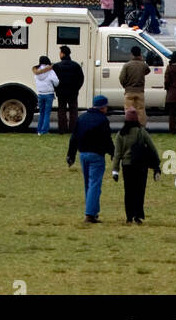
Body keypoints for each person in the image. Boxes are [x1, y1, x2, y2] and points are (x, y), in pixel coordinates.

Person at [66, 95, 115, 224]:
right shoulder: (102, 120)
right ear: (103, 107)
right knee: (95, 185)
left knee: (88, 184)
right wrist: (113, 153)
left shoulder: (82, 118)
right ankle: (90, 214)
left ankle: (93, 212)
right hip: (97, 156)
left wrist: (71, 155)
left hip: (83, 155)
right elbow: (107, 139)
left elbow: (73, 138)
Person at [111, 108, 161, 224]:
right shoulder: (141, 131)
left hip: (127, 166)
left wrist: (115, 170)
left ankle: (129, 217)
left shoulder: (120, 134)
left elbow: (117, 154)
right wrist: (156, 164)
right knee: (140, 191)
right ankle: (138, 216)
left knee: (128, 192)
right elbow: (152, 147)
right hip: (141, 165)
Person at [53, 45, 84, 135]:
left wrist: (56, 89)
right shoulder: (76, 66)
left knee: (61, 110)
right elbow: (81, 79)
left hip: (61, 92)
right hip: (73, 92)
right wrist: (77, 88)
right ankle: (73, 129)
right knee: (73, 111)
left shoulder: (57, 66)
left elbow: (53, 79)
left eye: (60, 53)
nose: (59, 54)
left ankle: (62, 129)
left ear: (62, 54)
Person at [119, 44, 150, 126]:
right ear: (140, 54)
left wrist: (125, 86)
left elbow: (121, 78)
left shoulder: (127, 65)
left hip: (129, 91)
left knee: (129, 110)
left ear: (131, 54)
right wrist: (141, 60)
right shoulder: (143, 65)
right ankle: (141, 126)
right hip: (140, 91)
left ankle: (130, 125)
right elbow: (148, 70)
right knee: (140, 110)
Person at [33, 55, 59, 136]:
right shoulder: (50, 71)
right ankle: (45, 131)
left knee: (42, 113)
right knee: (47, 113)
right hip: (48, 94)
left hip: (40, 94)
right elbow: (56, 82)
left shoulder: (37, 71)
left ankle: (39, 130)